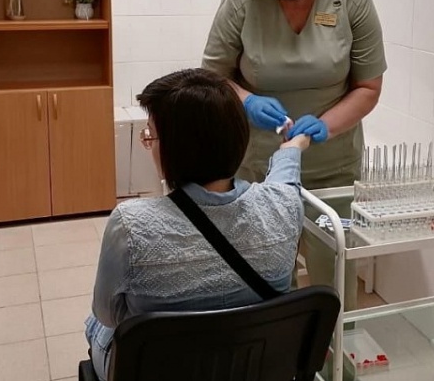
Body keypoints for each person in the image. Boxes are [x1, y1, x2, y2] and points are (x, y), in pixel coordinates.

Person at [202, 0, 387, 310]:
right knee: (266, 274)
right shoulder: (242, 0)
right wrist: (247, 101)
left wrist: (326, 126)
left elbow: (368, 86)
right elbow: (212, 77)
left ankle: (335, 347)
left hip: (333, 165)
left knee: (334, 272)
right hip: (259, 165)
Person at [84, 68, 311, 381]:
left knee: (96, 324)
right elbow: (285, 180)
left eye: (151, 136)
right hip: (253, 366)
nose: (149, 145)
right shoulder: (284, 206)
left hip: (159, 370)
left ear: (173, 149)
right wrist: (292, 148)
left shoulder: (131, 224)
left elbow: (107, 313)